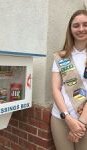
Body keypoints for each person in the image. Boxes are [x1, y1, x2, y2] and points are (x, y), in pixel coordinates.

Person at [51, 9, 87, 150]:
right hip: (60, 118)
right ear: (70, 29)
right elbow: (55, 89)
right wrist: (67, 118)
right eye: (76, 25)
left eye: (85, 24)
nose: (81, 29)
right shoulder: (62, 56)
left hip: (84, 119)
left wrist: (80, 124)